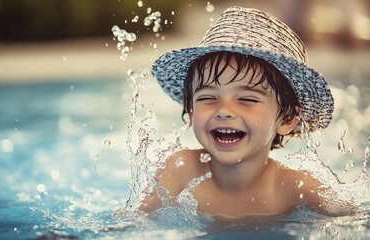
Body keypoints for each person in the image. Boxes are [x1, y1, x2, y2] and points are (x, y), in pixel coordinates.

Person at [139, 6, 355, 220]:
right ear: (191, 110)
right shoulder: (181, 170)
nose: (224, 111)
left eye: (247, 99)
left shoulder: (298, 188)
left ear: (287, 119)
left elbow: (354, 220)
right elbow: (134, 224)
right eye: (207, 98)